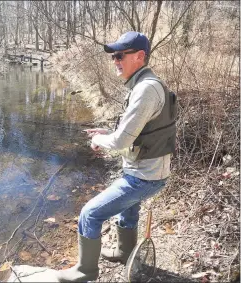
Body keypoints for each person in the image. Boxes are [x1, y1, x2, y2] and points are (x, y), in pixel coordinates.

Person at [55, 31, 177, 282]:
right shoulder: (147, 84)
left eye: (120, 55)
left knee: (90, 214)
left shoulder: (145, 90)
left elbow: (121, 141)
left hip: (145, 177)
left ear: (140, 56)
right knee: (127, 211)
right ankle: (124, 252)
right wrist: (107, 132)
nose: (115, 60)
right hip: (147, 172)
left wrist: (98, 140)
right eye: (113, 56)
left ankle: (84, 271)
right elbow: (135, 133)